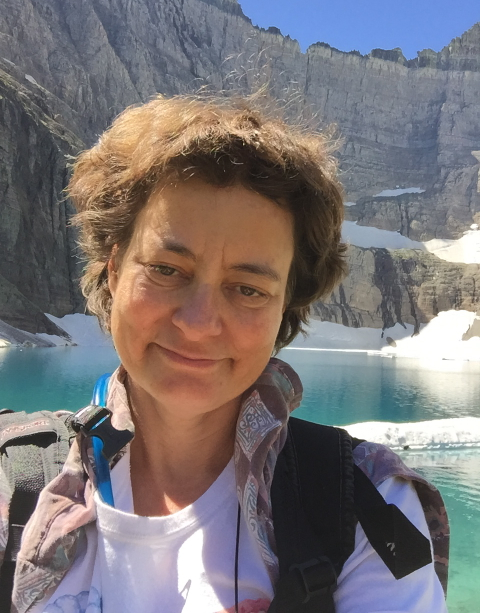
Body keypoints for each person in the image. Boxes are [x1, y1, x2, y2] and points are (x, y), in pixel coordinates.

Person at [3, 94, 448, 613]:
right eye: (166, 270)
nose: (198, 323)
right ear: (114, 269)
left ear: (285, 308)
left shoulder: (366, 503)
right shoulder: (14, 479)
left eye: (248, 289)